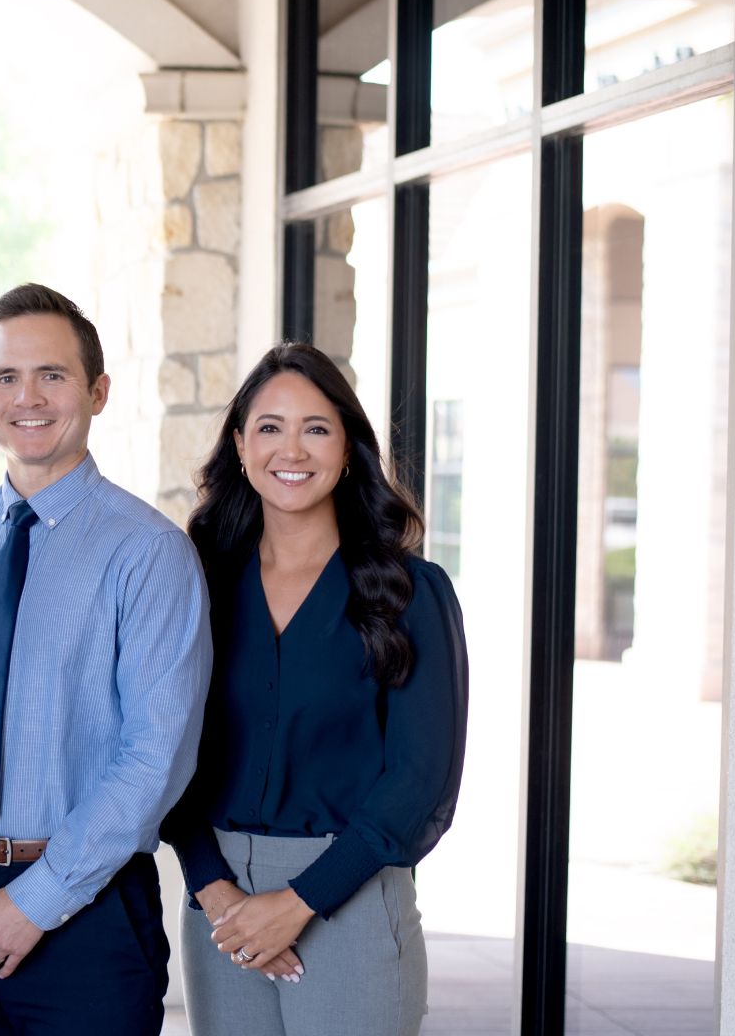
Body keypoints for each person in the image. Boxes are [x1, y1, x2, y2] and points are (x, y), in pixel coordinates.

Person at [0, 283, 212, 1034]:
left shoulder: (149, 554)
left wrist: (38, 899)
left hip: (87, 914)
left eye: (52, 375)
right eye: (6, 377)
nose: (29, 397)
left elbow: (155, 759)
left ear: (98, 391)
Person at [160, 342, 469, 1036]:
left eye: (316, 428)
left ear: (349, 447)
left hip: (350, 894)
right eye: (269, 427)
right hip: (219, 903)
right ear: (240, 445)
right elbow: (163, 746)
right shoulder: (196, 585)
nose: (290, 448)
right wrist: (212, 888)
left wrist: (299, 901)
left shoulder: (410, 593)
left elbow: (419, 777)